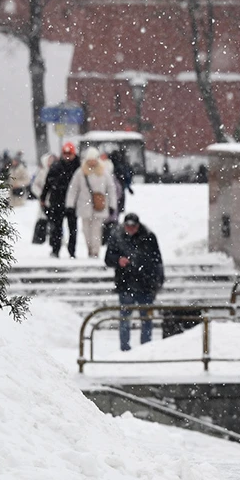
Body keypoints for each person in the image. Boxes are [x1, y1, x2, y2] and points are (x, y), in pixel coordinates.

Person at [104, 212, 164, 351]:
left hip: (145, 283)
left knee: (146, 318)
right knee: (125, 318)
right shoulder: (117, 236)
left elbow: (157, 260)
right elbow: (108, 258)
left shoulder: (148, 236)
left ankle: (146, 347)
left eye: (133, 226)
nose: (130, 229)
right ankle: (125, 347)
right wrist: (118, 260)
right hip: (126, 283)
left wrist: (157, 281)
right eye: (128, 226)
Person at [65, 148, 118, 258]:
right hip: (84, 206)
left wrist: (112, 205)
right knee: (86, 231)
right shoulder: (80, 172)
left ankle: (95, 251)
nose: (92, 162)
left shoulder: (104, 172)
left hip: (99, 206)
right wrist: (70, 204)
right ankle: (90, 248)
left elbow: (111, 189)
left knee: (96, 230)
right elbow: (73, 189)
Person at [40, 142, 81, 258]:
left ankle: (72, 251)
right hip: (57, 201)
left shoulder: (78, 167)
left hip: (73, 202)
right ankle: (55, 249)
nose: (67, 156)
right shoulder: (56, 166)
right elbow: (47, 183)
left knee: (73, 228)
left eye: (69, 153)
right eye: (65, 153)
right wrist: (43, 197)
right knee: (56, 228)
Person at [108, 150, 134, 214]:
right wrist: (128, 186)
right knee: (119, 205)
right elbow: (127, 176)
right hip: (120, 187)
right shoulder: (123, 164)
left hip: (112, 188)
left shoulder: (110, 164)